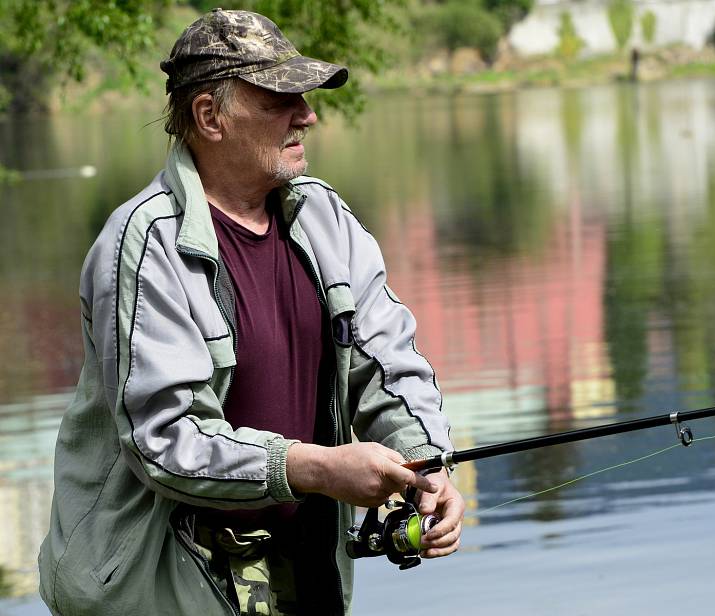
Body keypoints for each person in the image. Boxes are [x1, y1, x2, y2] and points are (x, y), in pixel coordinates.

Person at [38, 9, 463, 616]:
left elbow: (387, 363)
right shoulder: (143, 243)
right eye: (278, 99)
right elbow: (167, 440)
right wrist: (315, 467)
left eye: (305, 98)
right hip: (165, 582)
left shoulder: (325, 218)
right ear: (210, 117)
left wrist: (427, 462)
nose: (307, 115)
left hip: (306, 568)